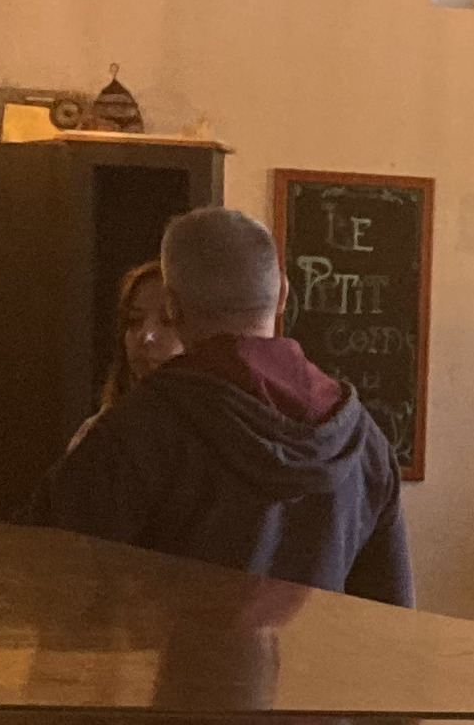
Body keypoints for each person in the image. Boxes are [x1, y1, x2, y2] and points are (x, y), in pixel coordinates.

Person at [28, 207, 413, 602]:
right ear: (282, 294)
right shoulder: (364, 441)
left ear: (174, 307)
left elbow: (41, 579)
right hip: (316, 665)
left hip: (173, 664)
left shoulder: (139, 428)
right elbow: (394, 618)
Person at [99, 258, 187, 412]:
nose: (146, 337)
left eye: (167, 320)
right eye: (134, 320)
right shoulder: (100, 430)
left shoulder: (219, 428)